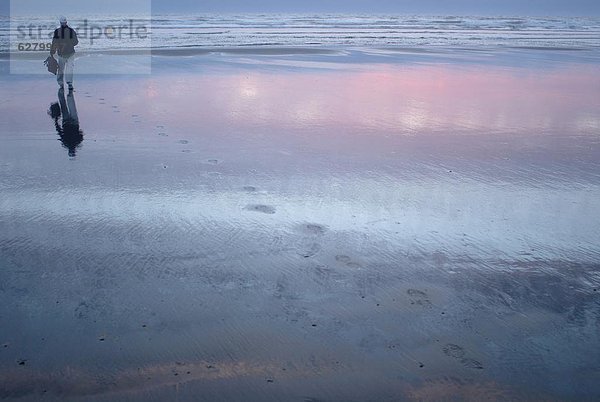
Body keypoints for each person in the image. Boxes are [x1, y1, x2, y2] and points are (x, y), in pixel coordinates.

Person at [48, 88, 84, 157]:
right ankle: (64, 93)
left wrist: (56, 122)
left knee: (71, 106)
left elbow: (81, 135)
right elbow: (60, 132)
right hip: (67, 122)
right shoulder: (66, 143)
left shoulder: (75, 143)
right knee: (63, 105)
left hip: (73, 123)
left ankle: (68, 93)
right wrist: (56, 122)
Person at [50, 16, 78, 91]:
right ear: (66, 22)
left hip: (61, 54)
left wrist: (52, 52)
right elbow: (76, 42)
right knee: (69, 69)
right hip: (70, 53)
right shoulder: (71, 31)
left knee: (60, 70)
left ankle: (61, 84)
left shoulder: (57, 31)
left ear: (60, 23)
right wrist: (69, 44)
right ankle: (69, 84)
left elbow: (54, 43)